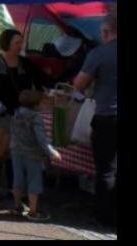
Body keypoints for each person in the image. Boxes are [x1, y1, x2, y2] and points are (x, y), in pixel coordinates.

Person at [0, 29, 46, 199]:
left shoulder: (26, 64)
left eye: (20, 42)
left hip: (22, 115)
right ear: (7, 44)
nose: (20, 45)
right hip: (1, 115)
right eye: (17, 42)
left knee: (16, 153)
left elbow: (40, 81)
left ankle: (12, 188)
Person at [73, 13, 117, 229]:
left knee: (106, 169)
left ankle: (105, 216)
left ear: (107, 32)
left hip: (108, 117)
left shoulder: (100, 53)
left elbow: (79, 85)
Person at [9, 89, 62, 221]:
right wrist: (52, 152)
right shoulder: (36, 117)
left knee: (18, 179)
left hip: (16, 150)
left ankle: (17, 207)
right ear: (37, 104)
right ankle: (33, 212)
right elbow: (41, 139)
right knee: (34, 181)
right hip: (32, 153)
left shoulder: (16, 113)